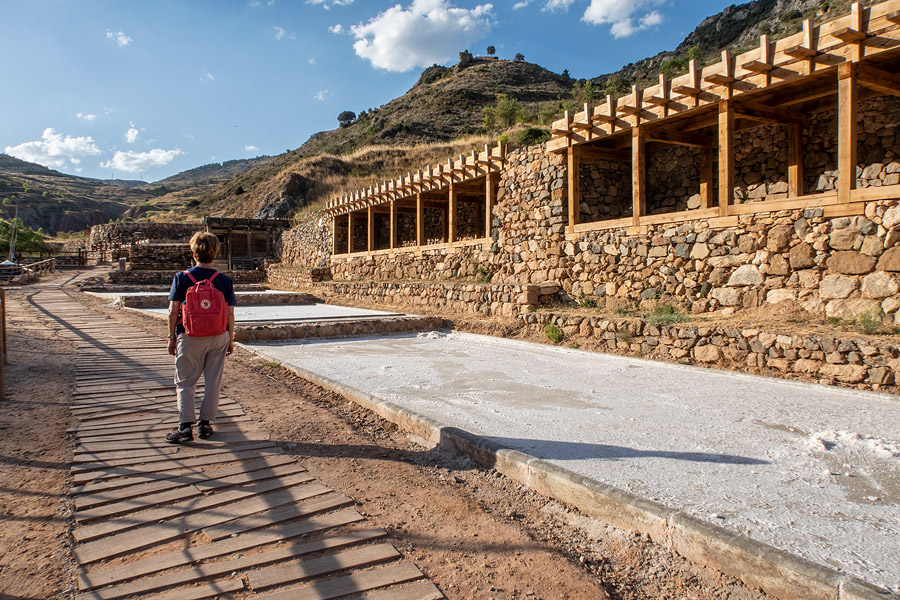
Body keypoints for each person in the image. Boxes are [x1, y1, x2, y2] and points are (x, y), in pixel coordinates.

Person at [165, 232, 236, 443]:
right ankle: (206, 425)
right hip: (218, 335)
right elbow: (230, 313)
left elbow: (172, 311)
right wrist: (230, 338)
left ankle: (185, 427)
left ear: (194, 253)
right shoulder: (224, 280)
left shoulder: (182, 278)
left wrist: (171, 337)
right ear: (215, 253)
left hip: (189, 335)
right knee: (213, 381)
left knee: (185, 381)